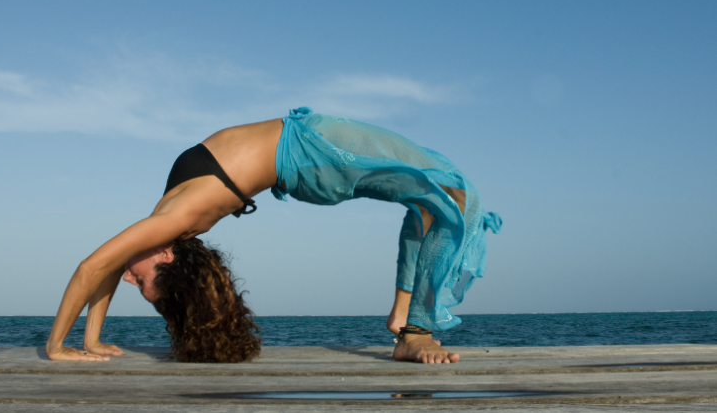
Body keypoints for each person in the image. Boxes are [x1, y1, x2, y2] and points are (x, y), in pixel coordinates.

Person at [45, 107, 501, 364]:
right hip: (310, 155)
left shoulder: (166, 225)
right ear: (167, 256)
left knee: (437, 195)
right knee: (452, 194)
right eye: (141, 283)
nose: (129, 279)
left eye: (138, 283)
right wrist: (57, 346)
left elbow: (100, 267)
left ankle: (405, 319)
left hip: (304, 150)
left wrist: (85, 340)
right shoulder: (171, 224)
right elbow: (96, 268)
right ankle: (413, 329)